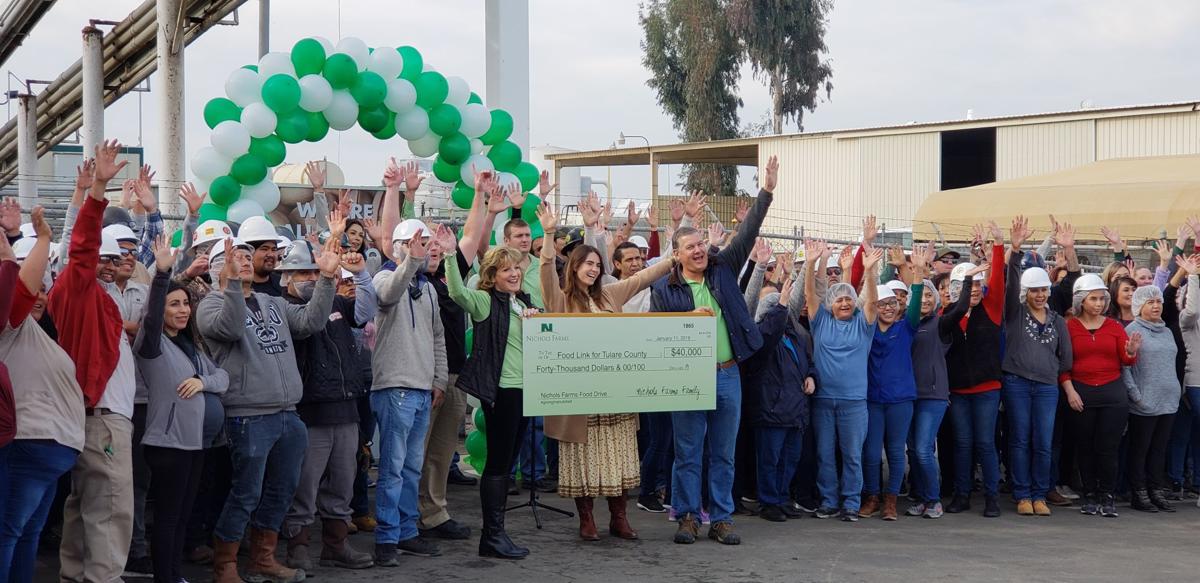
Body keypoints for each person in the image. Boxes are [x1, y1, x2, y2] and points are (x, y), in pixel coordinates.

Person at [650, 156, 777, 545]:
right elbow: (657, 336)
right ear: (677, 254)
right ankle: (688, 516)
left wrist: (766, 191)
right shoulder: (665, 290)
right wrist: (690, 316)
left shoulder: (724, 267)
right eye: (690, 246)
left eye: (702, 243)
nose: (700, 250)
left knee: (723, 453)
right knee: (688, 453)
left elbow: (749, 231)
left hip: (726, 374)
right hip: (687, 378)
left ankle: (721, 518)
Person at [198, 235, 338, 583]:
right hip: (247, 414)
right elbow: (229, 329)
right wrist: (231, 286)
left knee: (283, 489)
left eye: (248, 256)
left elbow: (310, 322)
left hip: (288, 412)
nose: (245, 260)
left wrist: (326, 279)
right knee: (246, 491)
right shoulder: (209, 306)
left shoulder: (271, 301)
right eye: (237, 256)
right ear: (219, 267)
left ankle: (263, 558)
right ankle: (225, 565)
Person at [536, 202, 675, 541]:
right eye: (587, 264)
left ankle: (619, 517)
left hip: (615, 394)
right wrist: (549, 232)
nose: (593, 269)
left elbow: (644, 277)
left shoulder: (611, 294)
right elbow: (545, 275)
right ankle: (586, 519)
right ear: (573, 266)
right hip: (579, 398)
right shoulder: (561, 299)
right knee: (583, 459)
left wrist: (675, 257)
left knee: (620, 459)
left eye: (597, 264)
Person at [50, 141, 139, 583]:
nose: (114, 265)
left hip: (102, 417)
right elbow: (79, 249)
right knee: (111, 506)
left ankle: (77, 576)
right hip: (100, 418)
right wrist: (99, 189)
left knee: (88, 507)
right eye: (105, 259)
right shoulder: (75, 289)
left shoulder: (103, 301)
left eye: (118, 257)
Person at [281, 212, 378, 571]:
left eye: (314, 271)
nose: (310, 278)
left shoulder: (337, 301)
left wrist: (362, 273)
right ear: (287, 276)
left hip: (346, 405)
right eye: (303, 272)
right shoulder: (284, 306)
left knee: (343, 481)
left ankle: (336, 544)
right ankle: (298, 545)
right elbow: (309, 325)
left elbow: (365, 312)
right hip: (311, 410)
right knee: (305, 484)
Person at [439, 224, 538, 560]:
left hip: (527, 389)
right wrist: (451, 255)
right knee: (498, 465)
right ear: (493, 275)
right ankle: (492, 536)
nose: (514, 274)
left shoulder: (523, 302)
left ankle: (496, 535)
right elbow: (456, 294)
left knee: (507, 463)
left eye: (516, 268)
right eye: (506, 269)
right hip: (502, 390)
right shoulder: (484, 301)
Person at [136, 235, 230, 583]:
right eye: (174, 304)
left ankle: (175, 575)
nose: (182, 310)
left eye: (185, 304)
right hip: (168, 444)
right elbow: (149, 316)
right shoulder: (152, 345)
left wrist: (204, 383)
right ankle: (166, 577)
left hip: (194, 444)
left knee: (183, 516)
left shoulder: (191, 348)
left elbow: (222, 378)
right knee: (168, 517)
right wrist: (162, 275)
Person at [0, 206, 85, 582]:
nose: (39, 295)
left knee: (25, 533)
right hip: (28, 442)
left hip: (50, 447)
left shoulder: (36, 330)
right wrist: (39, 239)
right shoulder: (9, 323)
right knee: (8, 532)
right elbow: (17, 284)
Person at [368, 216, 448, 565]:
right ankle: (386, 537)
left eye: (427, 244)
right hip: (394, 386)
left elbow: (437, 337)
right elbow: (388, 293)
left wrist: (440, 379)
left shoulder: (428, 288)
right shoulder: (384, 276)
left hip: (420, 388)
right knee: (393, 468)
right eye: (417, 243)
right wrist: (411, 260)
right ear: (400, 247)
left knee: (411, 468)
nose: (425, 249)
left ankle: (406, 532)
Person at [801, 232, 883, 524]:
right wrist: (811, 264)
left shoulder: (863, 325)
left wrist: (870, 272)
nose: (845, 302)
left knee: (851, 456)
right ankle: (828, 501)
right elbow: (811, 296)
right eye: (839, 299)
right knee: (824, 455)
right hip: (823, 401)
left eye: (849, 299)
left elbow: (872, 304)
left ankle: (850, 503)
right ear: (831, 304)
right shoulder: (820, 321)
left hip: (853, 403)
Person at [999, 217, 1074, 517]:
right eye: (1034, 291)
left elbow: (1065, 356)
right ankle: (1022, 494)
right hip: (1017, 382)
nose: (1040, 295)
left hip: (1046, 386)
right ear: (1026, 292)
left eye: (1044, 290)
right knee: (1019, 439)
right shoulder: (1014, 314)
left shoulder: (1056, 319)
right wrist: (1015, 250)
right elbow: (1009, 284)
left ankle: (1039, 493)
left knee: (1043, 440)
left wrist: (1053, 372)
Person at [1063, 273, 1141, 517]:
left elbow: (1126, 360)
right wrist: (1070, 391)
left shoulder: (1114, 326)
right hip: (1081, 393)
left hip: (1112, 393)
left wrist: (1130, 352)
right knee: (1085, 447)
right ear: (1081, 301)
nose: (1098, 304)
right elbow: (1062, 364)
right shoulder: (1069, 326)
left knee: (1108, 447)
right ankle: (1089, 494)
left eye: (1101, 299)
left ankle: (1107, 495)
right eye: (1093, 299)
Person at [944, 221, 1007, 518]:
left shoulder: (991, 309)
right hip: (958, 390)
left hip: (986, 389)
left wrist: (997, 245)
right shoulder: (949, 315)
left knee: (985, 442)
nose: (976, 291)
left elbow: (998, 278)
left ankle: (992, 497)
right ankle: (962, 494)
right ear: (956, 289)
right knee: (962, 443)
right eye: (970, 285)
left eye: (980, 286)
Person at [743, 274, 815, 522]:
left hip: (794, 411)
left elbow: (808, 362)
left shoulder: (794, 335)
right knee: (769, 460)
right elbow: (770, 331)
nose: (781, 313)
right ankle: (768, 502)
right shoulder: (759, 337)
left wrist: (812, 376)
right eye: (774, 308)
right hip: (771, 411)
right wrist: (783, 301)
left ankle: (782, 498)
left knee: (789, 459)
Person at [859, 234, 916, 522]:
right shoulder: (866, 329)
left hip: (900, 400)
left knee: (895, 451)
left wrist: (909, 272)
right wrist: (870, 270)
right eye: (883, 304)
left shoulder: (907, 327)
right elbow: (864, 304)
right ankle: (871, 496)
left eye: (893, 303)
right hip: (872, 399)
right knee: (871, 452)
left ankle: (891, 500)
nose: (889, 308)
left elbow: (915, 300)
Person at [907, 244, 962, 519]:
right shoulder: (906, 324)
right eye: (922, 295)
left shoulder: (940, 324)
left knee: (923, 449)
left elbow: (961, 308)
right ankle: (919, 497)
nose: (926, 299)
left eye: (931, 295)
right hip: (907, 396)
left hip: (933, 396)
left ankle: (933, 499)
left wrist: (968, 277)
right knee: (913, 450)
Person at [1123, 285, 1181, 513]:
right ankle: (1139, 492)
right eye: (1150, 302)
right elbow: (1124, 367)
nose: (1156, 306)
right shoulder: (1132, 330)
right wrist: (1135, 395)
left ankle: (1156, 489)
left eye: (1158, 301)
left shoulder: (1166, 331)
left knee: (1159, 449)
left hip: (1168, 401)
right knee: (1140, 449)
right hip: (1144, 402)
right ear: (1139, 306)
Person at [239, 215, 287, 297]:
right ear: (248, 253)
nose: (271, 254)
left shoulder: (283, 285)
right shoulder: (237, 288)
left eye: (274, 249)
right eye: (264, 249)